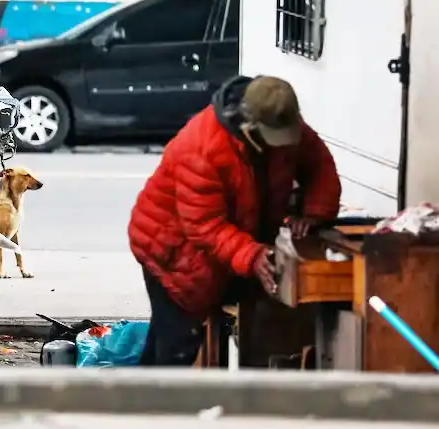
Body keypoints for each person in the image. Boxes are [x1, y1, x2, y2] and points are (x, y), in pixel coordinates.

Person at [128, 75, 341, 366]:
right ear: (249, 128)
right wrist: (251, 255)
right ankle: (156, 407)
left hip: (229, 242)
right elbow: (203, 225)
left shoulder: (280, 119)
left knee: (172, 339)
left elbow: (319, 166)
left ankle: (143, 397)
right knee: (177, 343)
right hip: (172, 249)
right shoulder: (201, 148)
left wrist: (314, 214)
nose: (281, 147)